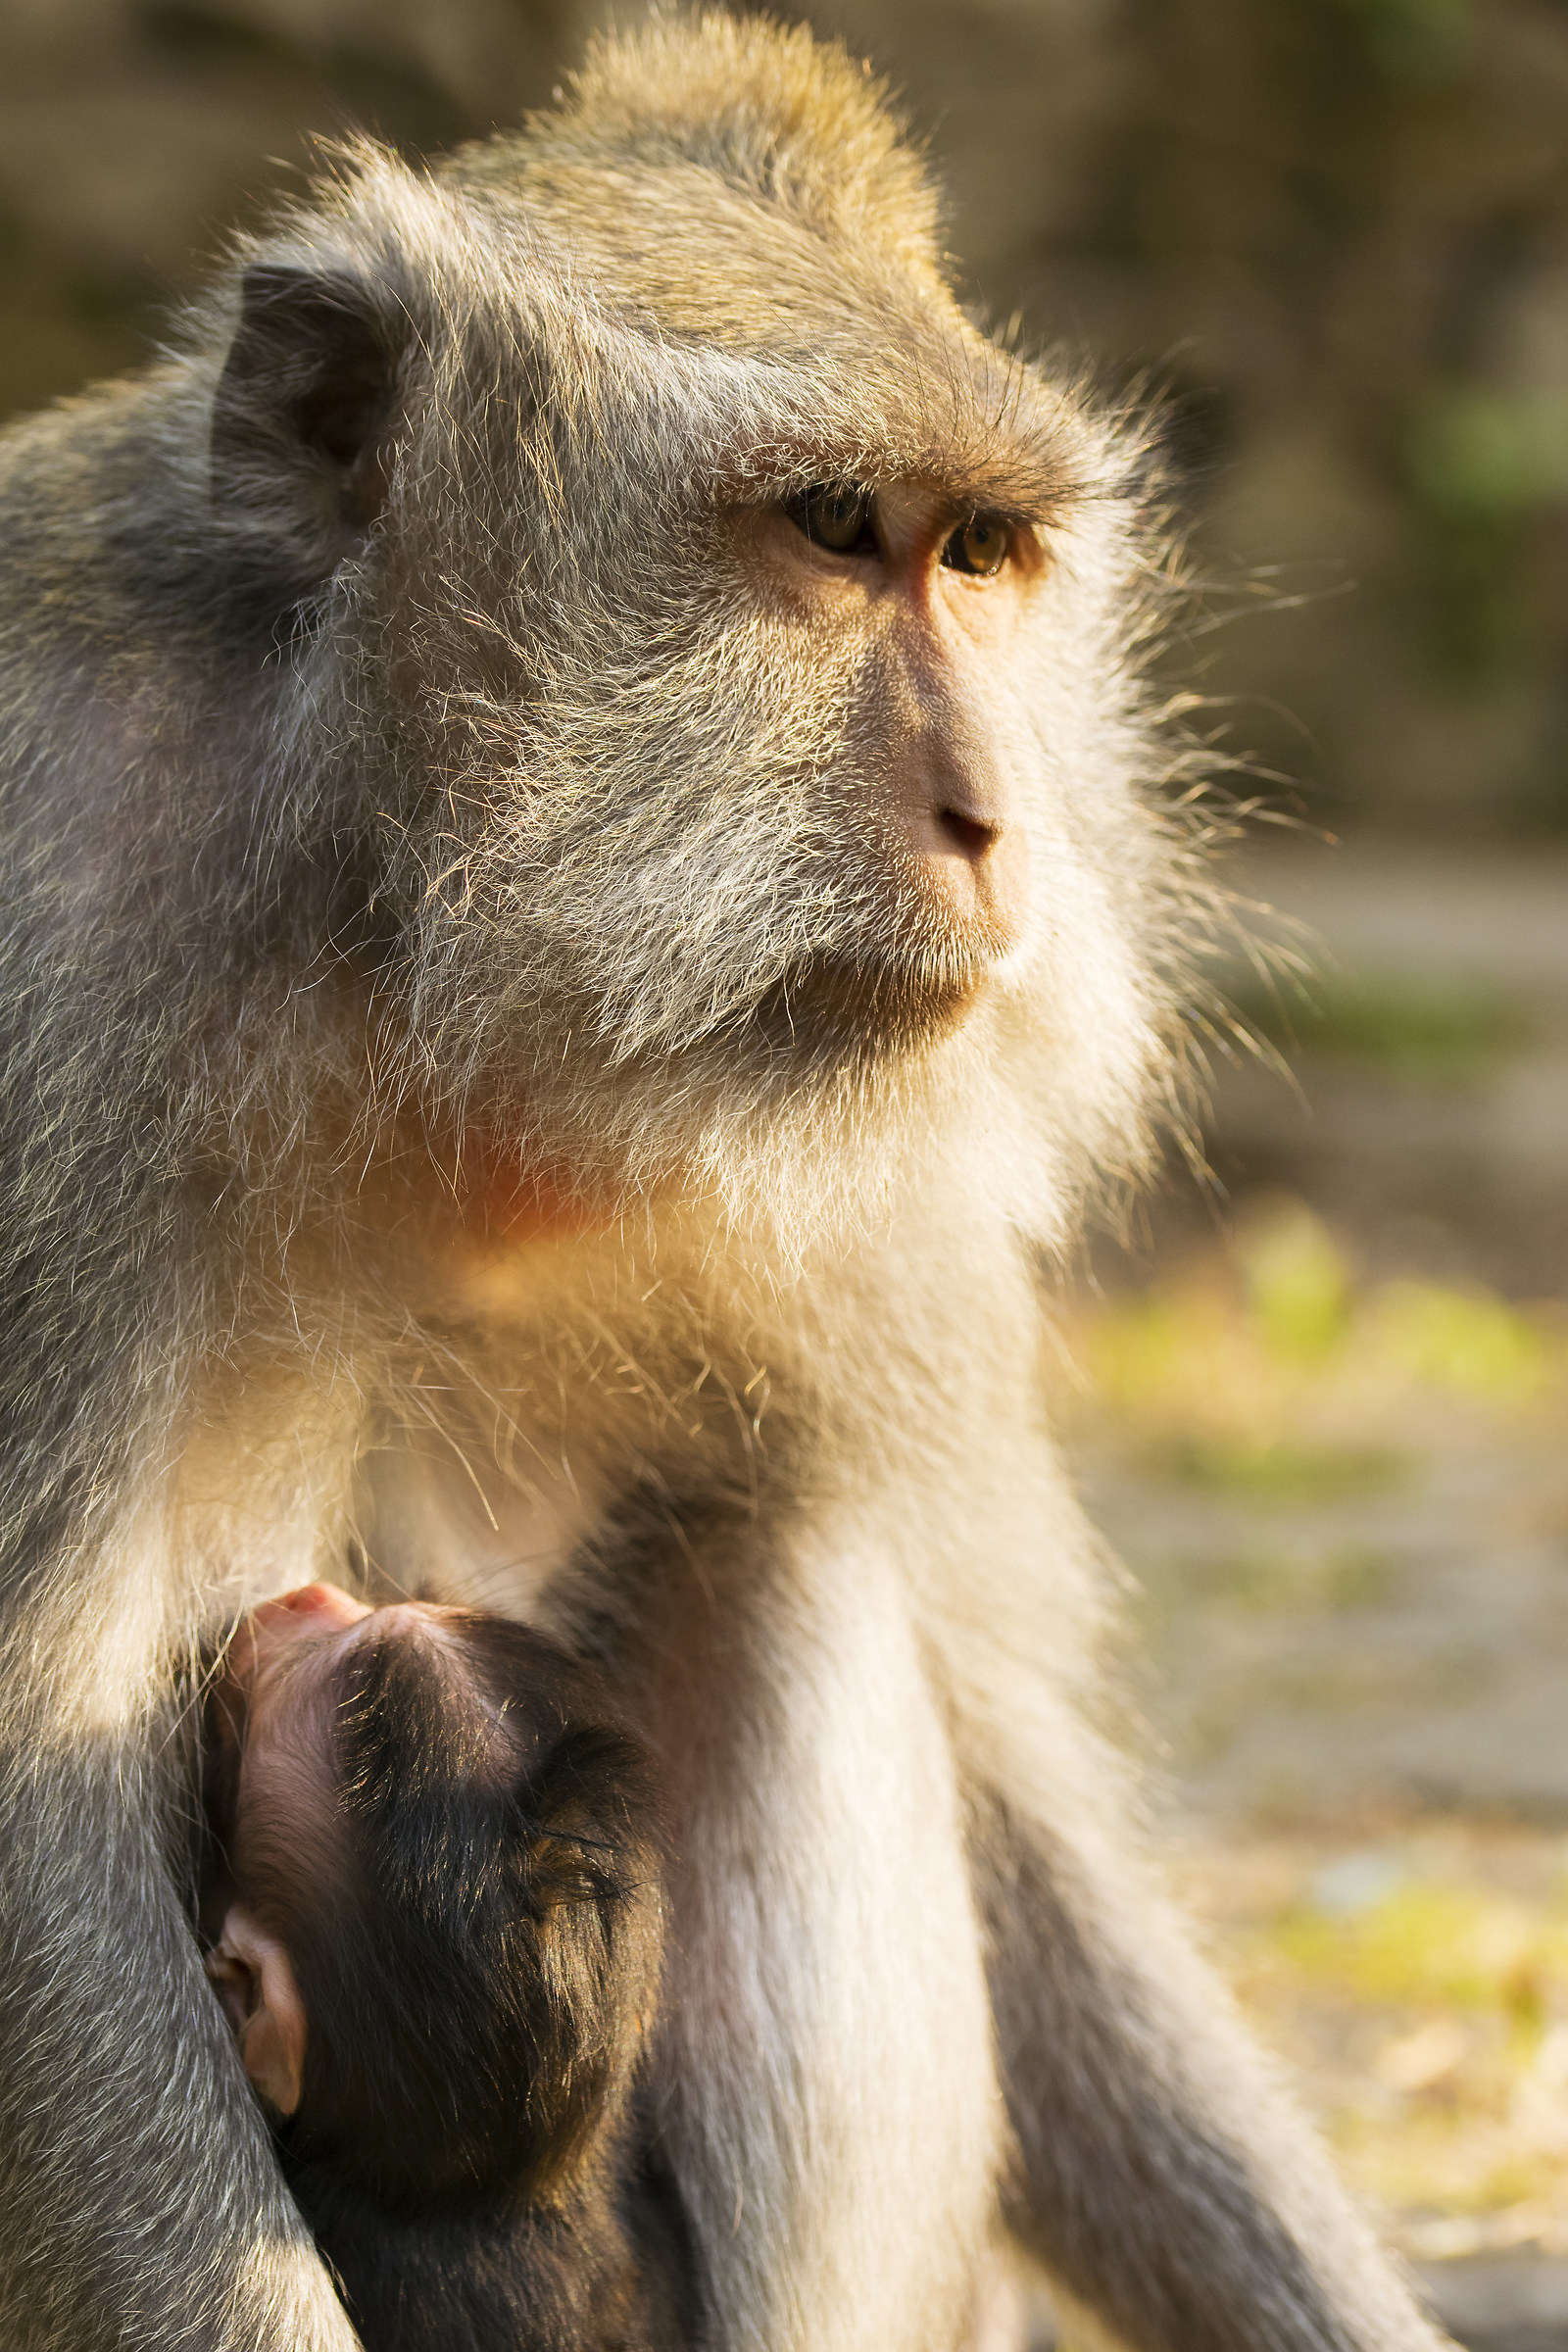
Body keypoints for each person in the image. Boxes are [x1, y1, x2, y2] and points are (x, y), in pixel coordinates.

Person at [196, 1582, 690, 2352]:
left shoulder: (293, 2286)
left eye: (304, 1655)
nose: (320, 1594)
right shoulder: (641, 2235)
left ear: (253, 2005)